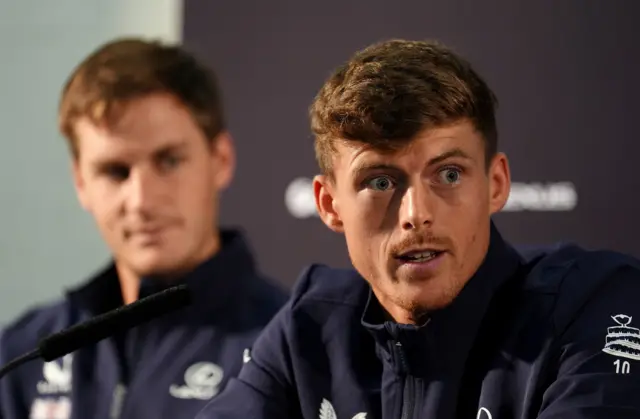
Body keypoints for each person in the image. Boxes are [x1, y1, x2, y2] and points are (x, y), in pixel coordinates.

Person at [196, 39, 640, 419]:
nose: (416, 213)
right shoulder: (310, 327)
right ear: (331, 205)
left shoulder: (595, 303)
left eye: (448, 174)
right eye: (381, 182)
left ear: (496, 184)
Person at [0, 38, 288, 419]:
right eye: (115, 171)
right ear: (81, 184)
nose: (141, 201)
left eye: (168, 161)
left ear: (221, 159)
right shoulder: (24, 353)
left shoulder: (285, 344)